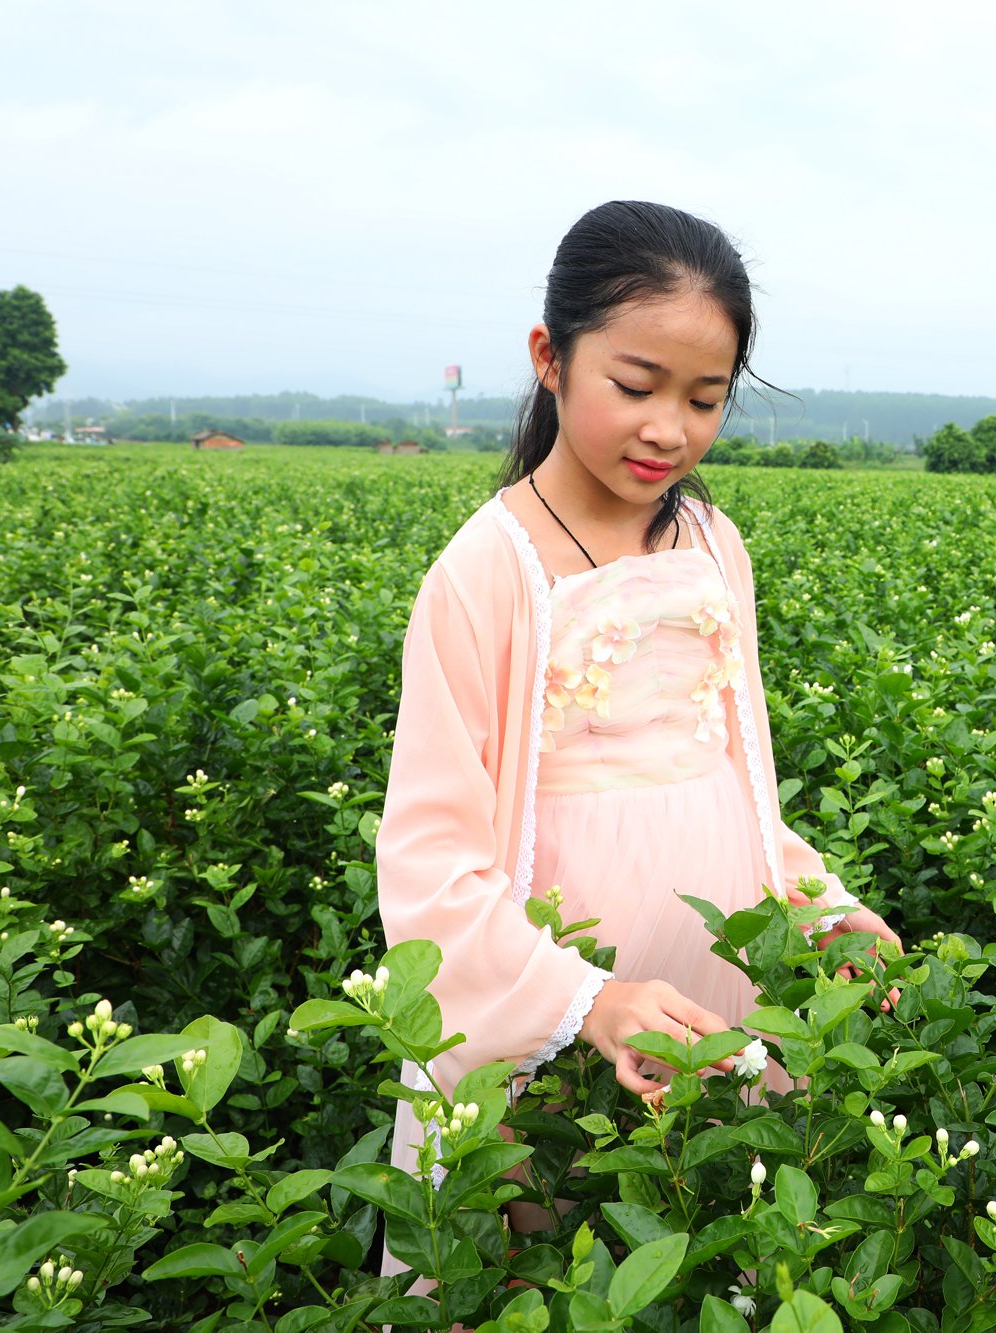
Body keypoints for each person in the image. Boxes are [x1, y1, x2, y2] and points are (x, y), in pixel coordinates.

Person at [373, 201, 901, 1273]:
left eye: (705, 398)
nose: (670, 428)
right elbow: (429, 861)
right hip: (556, 999)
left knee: (700, 1239)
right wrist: (587, 1001)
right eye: (636, 385)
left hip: (715, 971)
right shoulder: (488, 569)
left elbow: (743, 784)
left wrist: (821, 905)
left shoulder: (713, 541)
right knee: (558, 1250)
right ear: (549, 360)